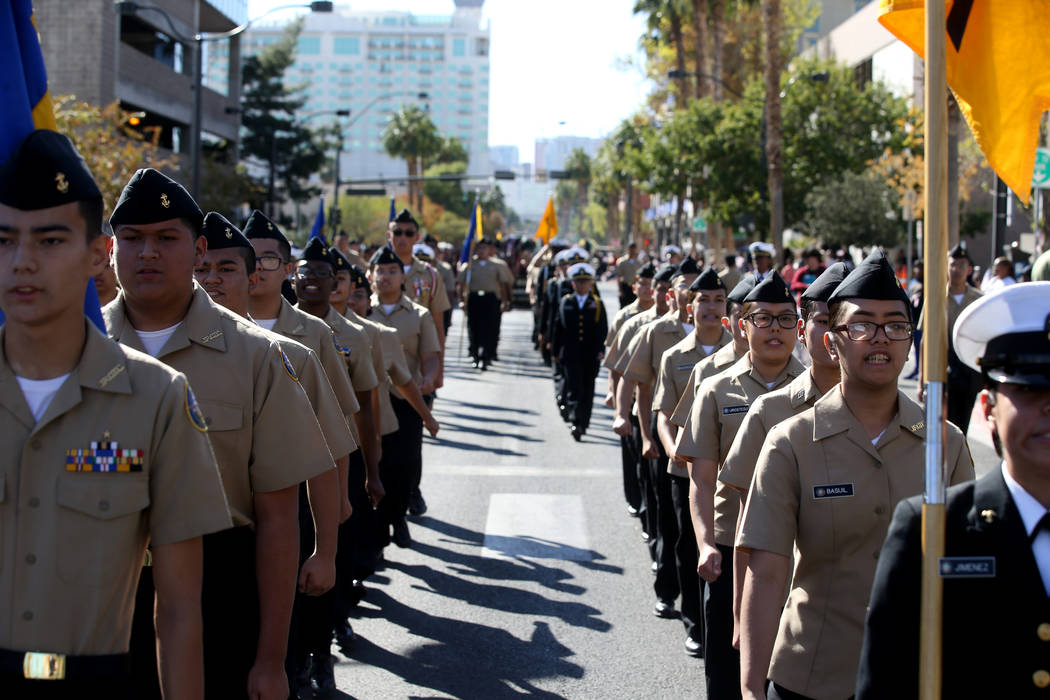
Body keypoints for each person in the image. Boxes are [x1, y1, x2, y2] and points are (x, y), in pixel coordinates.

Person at [0, 130, 231, 698]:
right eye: (4, 240)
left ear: (96, 254)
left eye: (50, 241)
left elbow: (177, 611)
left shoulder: (156, 398)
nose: (23, 262)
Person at [105, 168, 333, 700]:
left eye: (167, 237)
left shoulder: (258, 358)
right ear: (109, 247)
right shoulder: (75, 351)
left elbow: (278, 519)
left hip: (221, 591)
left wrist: (272, 660)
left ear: (198, 248)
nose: (148, 253)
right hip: (99, 590)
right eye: (132, 239)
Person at [736, 251, 974, 700]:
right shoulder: (790, 441)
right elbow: (766, 573)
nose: (880, 338)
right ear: (832, 342)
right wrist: (750, 688)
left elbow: (964, 570)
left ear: (910, 342)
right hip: (813, 673)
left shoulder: (945, 443)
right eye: (862, 325)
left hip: (919, 674)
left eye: (896, 326)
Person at [857, 281, 1050, 699]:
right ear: (988, 408)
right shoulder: (932, 533)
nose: (1049, 406)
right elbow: (886, 685)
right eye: (1031, 389)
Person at [191, 214, 353, 696]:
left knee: (272, 650)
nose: (212, 280)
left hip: (262, 532)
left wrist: (327, 545)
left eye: (227, 268)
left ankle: (308, 658)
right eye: (203, 269)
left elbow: (327, 446)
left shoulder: (295, 345)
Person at [678, 272, 805, 700]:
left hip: (796, 546)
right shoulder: (714, 389)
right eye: (764, 319)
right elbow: (701, 475)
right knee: (728, 662)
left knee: (789, 661)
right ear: (741, 325)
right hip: (733, 544)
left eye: (787, 319)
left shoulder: (820, 392)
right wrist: (705, 543)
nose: (775, 329)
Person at [718, 262, 848, 643]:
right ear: (805, 331)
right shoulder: (770, 412)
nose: (835, 334)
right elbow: (748, 524)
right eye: (824, 320)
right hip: (787, 599)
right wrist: (743, 613)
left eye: (849, 323)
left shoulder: (917, 427)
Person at [653, 266, 733, 656]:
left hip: (731, 472)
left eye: (719, 300)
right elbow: (664, 414)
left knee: (730, 548)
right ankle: (695, 624)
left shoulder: (741, 351)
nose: (711, 307)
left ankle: (726, 622)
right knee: (689, 547)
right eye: (703, 300)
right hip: (685, 469)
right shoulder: (674, 356)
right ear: (690, 307)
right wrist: (673, 450)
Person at [369, 247, 441, 549]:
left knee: (405, 464)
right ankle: (377, 528)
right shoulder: (358, 311)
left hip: (407, 400)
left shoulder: (419, 314)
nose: (385, 277)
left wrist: (429, 377)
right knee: (375, 465)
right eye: (380, 271)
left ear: (403, 278)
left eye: (392, 271)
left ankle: (397, 517)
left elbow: (431, 354)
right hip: (369, 401)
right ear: (370, 276)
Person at [605, 261, 656, 516]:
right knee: (632, 456)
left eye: (652, 284)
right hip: (634, 398)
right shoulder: (626, 317)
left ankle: (647, 505)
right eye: (643, 284)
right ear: (635, 287)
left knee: (647, 465)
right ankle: (635, 500)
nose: (648, 289)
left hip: (655, 402)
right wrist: (617, 404)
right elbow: (616, 366)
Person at [919, 244, 983, 432]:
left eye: (961, 265)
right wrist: (922, 379)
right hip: (941, 370)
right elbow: (925, 340)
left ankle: (959, 461)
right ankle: (943, 461)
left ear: (969, 269)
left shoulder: (978, 299)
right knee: (941, 427)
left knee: (963, 427)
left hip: (968, 371)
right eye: (953, 264)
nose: (956, 270)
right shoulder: (936, 298)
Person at [550, 262, 608, 440]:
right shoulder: (566, 302)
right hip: (571, 353)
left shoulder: (597, 304)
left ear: (591, 284)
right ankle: (576, 421)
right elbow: (557, 327)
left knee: (588, 388)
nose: (582, 285)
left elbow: (602, 330)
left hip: (590, 355)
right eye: (579, 282)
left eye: (585, 282)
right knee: (574, 387)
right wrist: (555, 350)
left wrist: (601, 350)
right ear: (573, 284)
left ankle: (584, 421)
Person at [458, 238, 504, 370]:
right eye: (480, 248)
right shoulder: (470, 265)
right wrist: (461, 300)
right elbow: (460, 284)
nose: (482, 251)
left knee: (489, 329)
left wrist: (505, 300)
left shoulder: (496, 265)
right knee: (474, 328)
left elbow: (504, 283)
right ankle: (475, 355)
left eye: (485, 248)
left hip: (490, 299)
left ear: (489, 250)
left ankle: (487, 356)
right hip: (474, 298)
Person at [616, 242, 641, 307]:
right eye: (631, 249)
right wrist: (620, 290)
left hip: (634, 287)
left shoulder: (639, 262)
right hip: (625, 286)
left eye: (634, 249)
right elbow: (619, 276)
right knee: (623, 306)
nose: (632, 250)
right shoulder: (622, 261)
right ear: (628, 249)